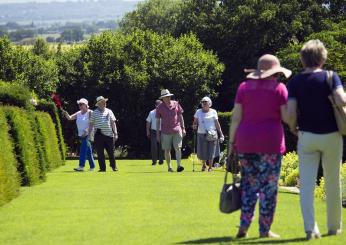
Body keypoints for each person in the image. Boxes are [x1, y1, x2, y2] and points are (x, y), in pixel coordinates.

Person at [287, 39, 345, 240]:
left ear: (303, 59)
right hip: (332, 135)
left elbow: (291, 111)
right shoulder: (331, 77)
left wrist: (292, 126)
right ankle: (334, 227)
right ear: (322, 58)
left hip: (307, 135)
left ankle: (311, 229)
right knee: (332, 182)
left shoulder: (295, 81)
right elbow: (341, 100)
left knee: (307, 185)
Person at [229, 54, 291, 238]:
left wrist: (232, 143)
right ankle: (264, 230)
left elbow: (236, 118)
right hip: (271, 144)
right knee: (269, 189)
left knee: (249, 186)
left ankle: (244, 226)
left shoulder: (244, 88)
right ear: (274, 72)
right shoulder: (280, 89)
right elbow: (287, 117)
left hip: (246, 143)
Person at [156, 89, 185, 172]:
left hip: (177, 129)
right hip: (165, 131)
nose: (168, 98)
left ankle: (179, 166)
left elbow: (180, 116)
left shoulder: (176, 104)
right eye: (165, 97)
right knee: (167, 150)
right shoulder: (159, 107)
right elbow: (158, 121)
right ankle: (169, 167)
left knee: (178, 148)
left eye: (168, 96)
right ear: (162, 98)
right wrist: (158, 133)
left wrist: (183, 128)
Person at [62, 98, 95, 171]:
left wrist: (86, 131)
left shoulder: (90, 112)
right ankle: (92, 166)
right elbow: (70, 118)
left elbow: (92, 123)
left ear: (86, 105)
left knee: (83, 149)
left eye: (81, 104)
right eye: (79, 105)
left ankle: (81, 166)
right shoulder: (78, 113)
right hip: (81, 135)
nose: (80, 106)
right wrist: (65, 113)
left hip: (88, 134)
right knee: (88, 151)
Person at [192, 96, 224, 171]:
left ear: (209, 103)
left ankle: (210, 167)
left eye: (206, 102)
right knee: (203, 150)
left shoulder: (213, 111)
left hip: (212, 134)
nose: (204, 103)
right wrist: (194, 125)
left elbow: (217, 123)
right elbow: (195, 121)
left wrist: (221, 133)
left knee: (211, 151)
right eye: (203, 102)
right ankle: (203, 165)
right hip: (201, 133)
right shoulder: (198, 111)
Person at [88, 96, 118, 172]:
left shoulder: (109, 111)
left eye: (105, 102)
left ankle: (113, 166)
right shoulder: (94, 113)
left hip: (109, 135)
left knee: (111, 152)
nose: (105, 103)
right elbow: (91, 124)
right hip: (98, 135)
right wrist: (89, 135)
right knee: (100, 153)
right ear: (99, 104)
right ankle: (102, 168)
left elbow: (113, 123)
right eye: (103, 102)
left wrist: (115, 133)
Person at [146, 100, 164, 165]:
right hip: (153, 131)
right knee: (154, 146)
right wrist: (148, 131)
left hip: (162, 131)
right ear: (156, 105)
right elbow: (148, 122)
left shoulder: (164, 112)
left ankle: (161, 160)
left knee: (162, 147)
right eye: (159, 105)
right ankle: (154, 161)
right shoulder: (151, 112)